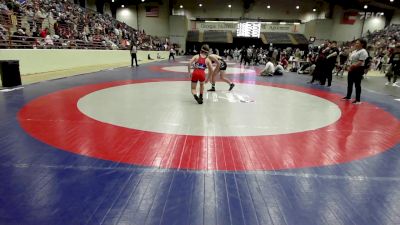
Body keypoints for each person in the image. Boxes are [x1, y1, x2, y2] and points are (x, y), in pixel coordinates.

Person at [342, 39, 368, 104]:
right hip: (352, 68)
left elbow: (360, 62)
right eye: (356, 43)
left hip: (358, 69)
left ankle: (358, 99)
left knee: (357, 84)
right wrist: (347, 66)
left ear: (362, 44)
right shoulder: (355, 51)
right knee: (350, 83)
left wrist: (351, 67)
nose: (356, 44)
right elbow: (350, 59)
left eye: (357, 43)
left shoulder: (363, 51)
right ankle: (348, 96)